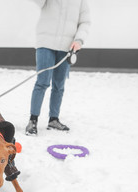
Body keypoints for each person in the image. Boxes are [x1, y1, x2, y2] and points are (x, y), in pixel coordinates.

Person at [26, 0, 91, 135]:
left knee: (59, 85)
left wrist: (79, 39)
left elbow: (85, 21)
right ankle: (33, 120)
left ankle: (53, 119)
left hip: (67, 47)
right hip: (46, 43)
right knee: (42, 82)